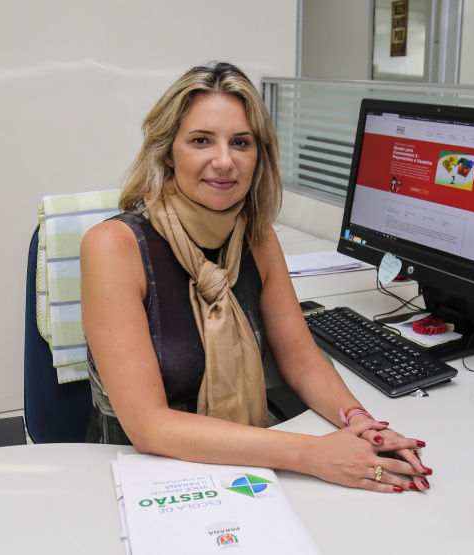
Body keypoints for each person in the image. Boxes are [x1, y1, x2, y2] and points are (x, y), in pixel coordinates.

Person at [80, 62, 430, 493]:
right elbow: (150, 427)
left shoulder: (257, 238)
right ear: (168, 151)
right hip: (141, 473)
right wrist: (313, 454)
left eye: (241, 142)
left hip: (243, 462)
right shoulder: (114, 248)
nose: (224, 161)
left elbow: (300, 359)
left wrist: (362, 425)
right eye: (201, 140)